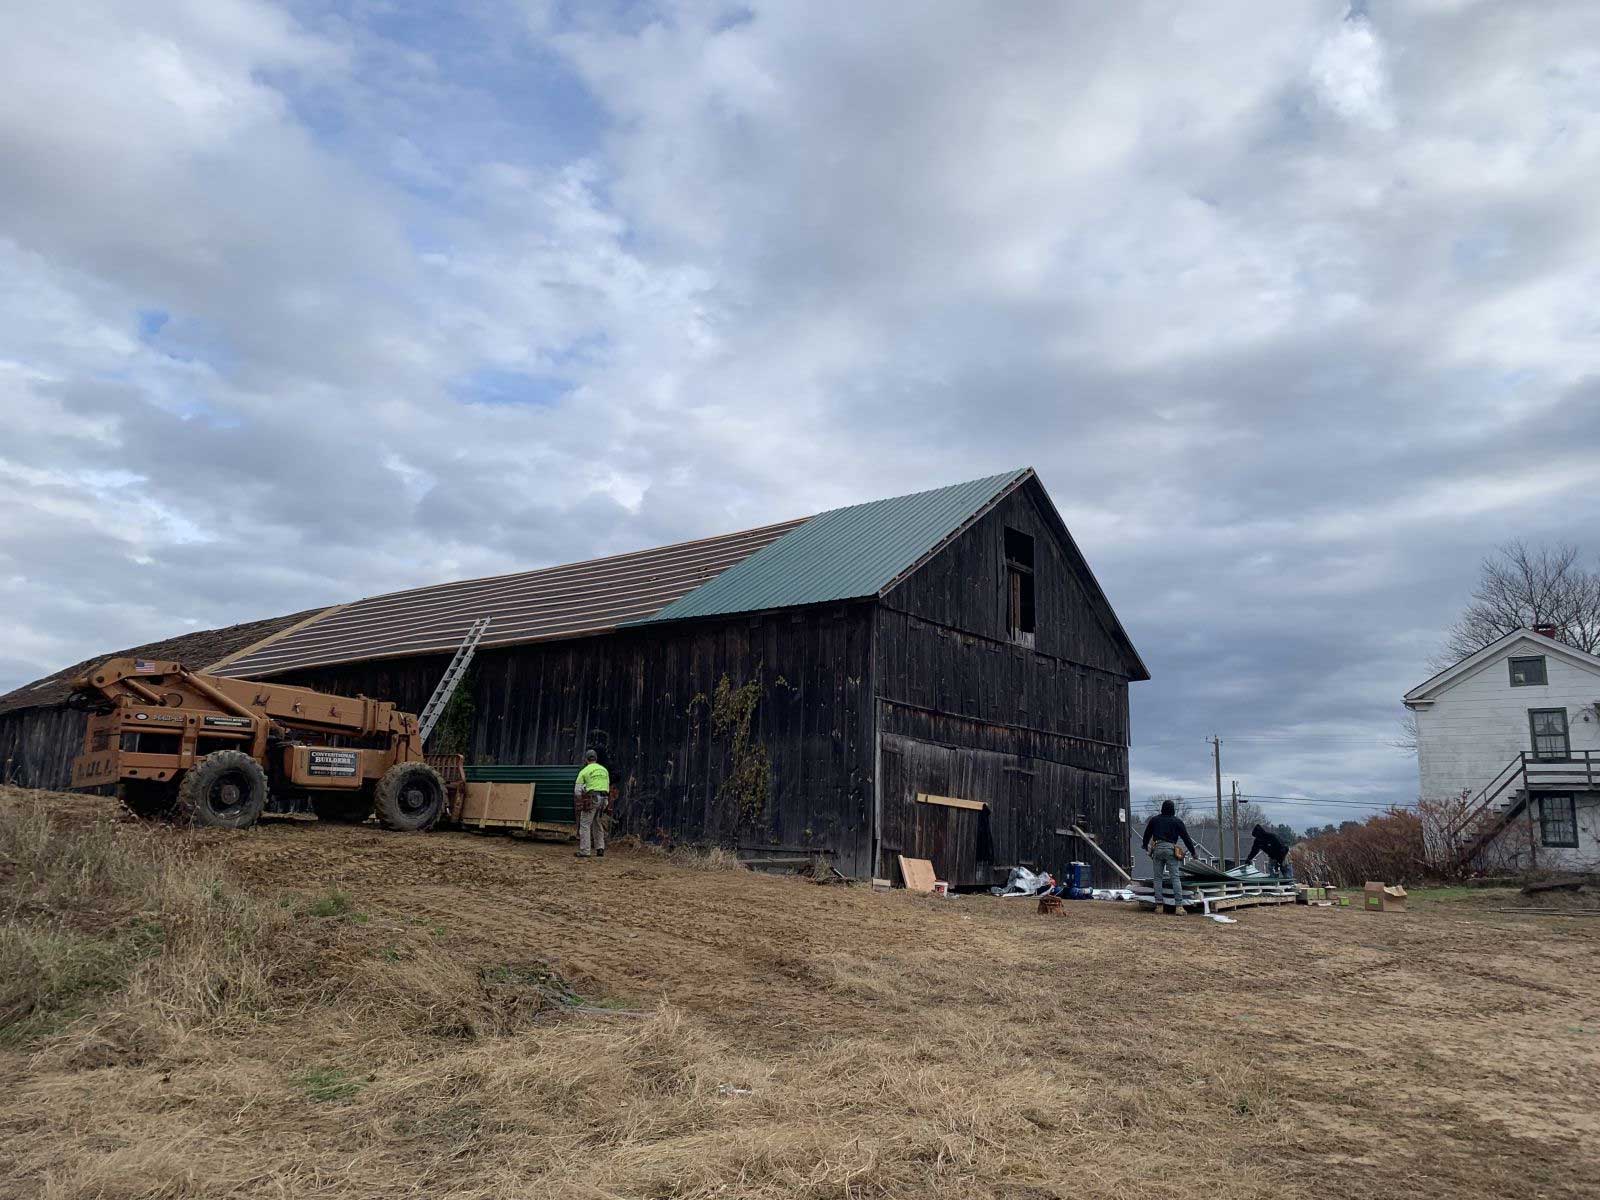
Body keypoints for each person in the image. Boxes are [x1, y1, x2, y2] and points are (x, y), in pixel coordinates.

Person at [1141, 799, 1197, 914]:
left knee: (1158, 878)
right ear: (1173, 810)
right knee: (1175, 877)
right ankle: (1179, 907)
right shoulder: (1177, 821)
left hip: (1157, 848)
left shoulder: (1155, 820)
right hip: (1171, 849)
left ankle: (1159, 906)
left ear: (1162, 808)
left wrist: (1145, 846)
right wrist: (1193, 852)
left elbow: (1147, 834)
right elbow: (1186, 838)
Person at [573, 749, 610, 858]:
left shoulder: (584, 771)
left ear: (586, 759)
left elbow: (577, 790)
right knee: (597, 823)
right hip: (604, 799)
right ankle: (600, 848)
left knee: (585, 824)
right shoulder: (604, 770)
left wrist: (581, 800)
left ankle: (585, 851)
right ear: (596, 759)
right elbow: (607, 785)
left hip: (592, 799)